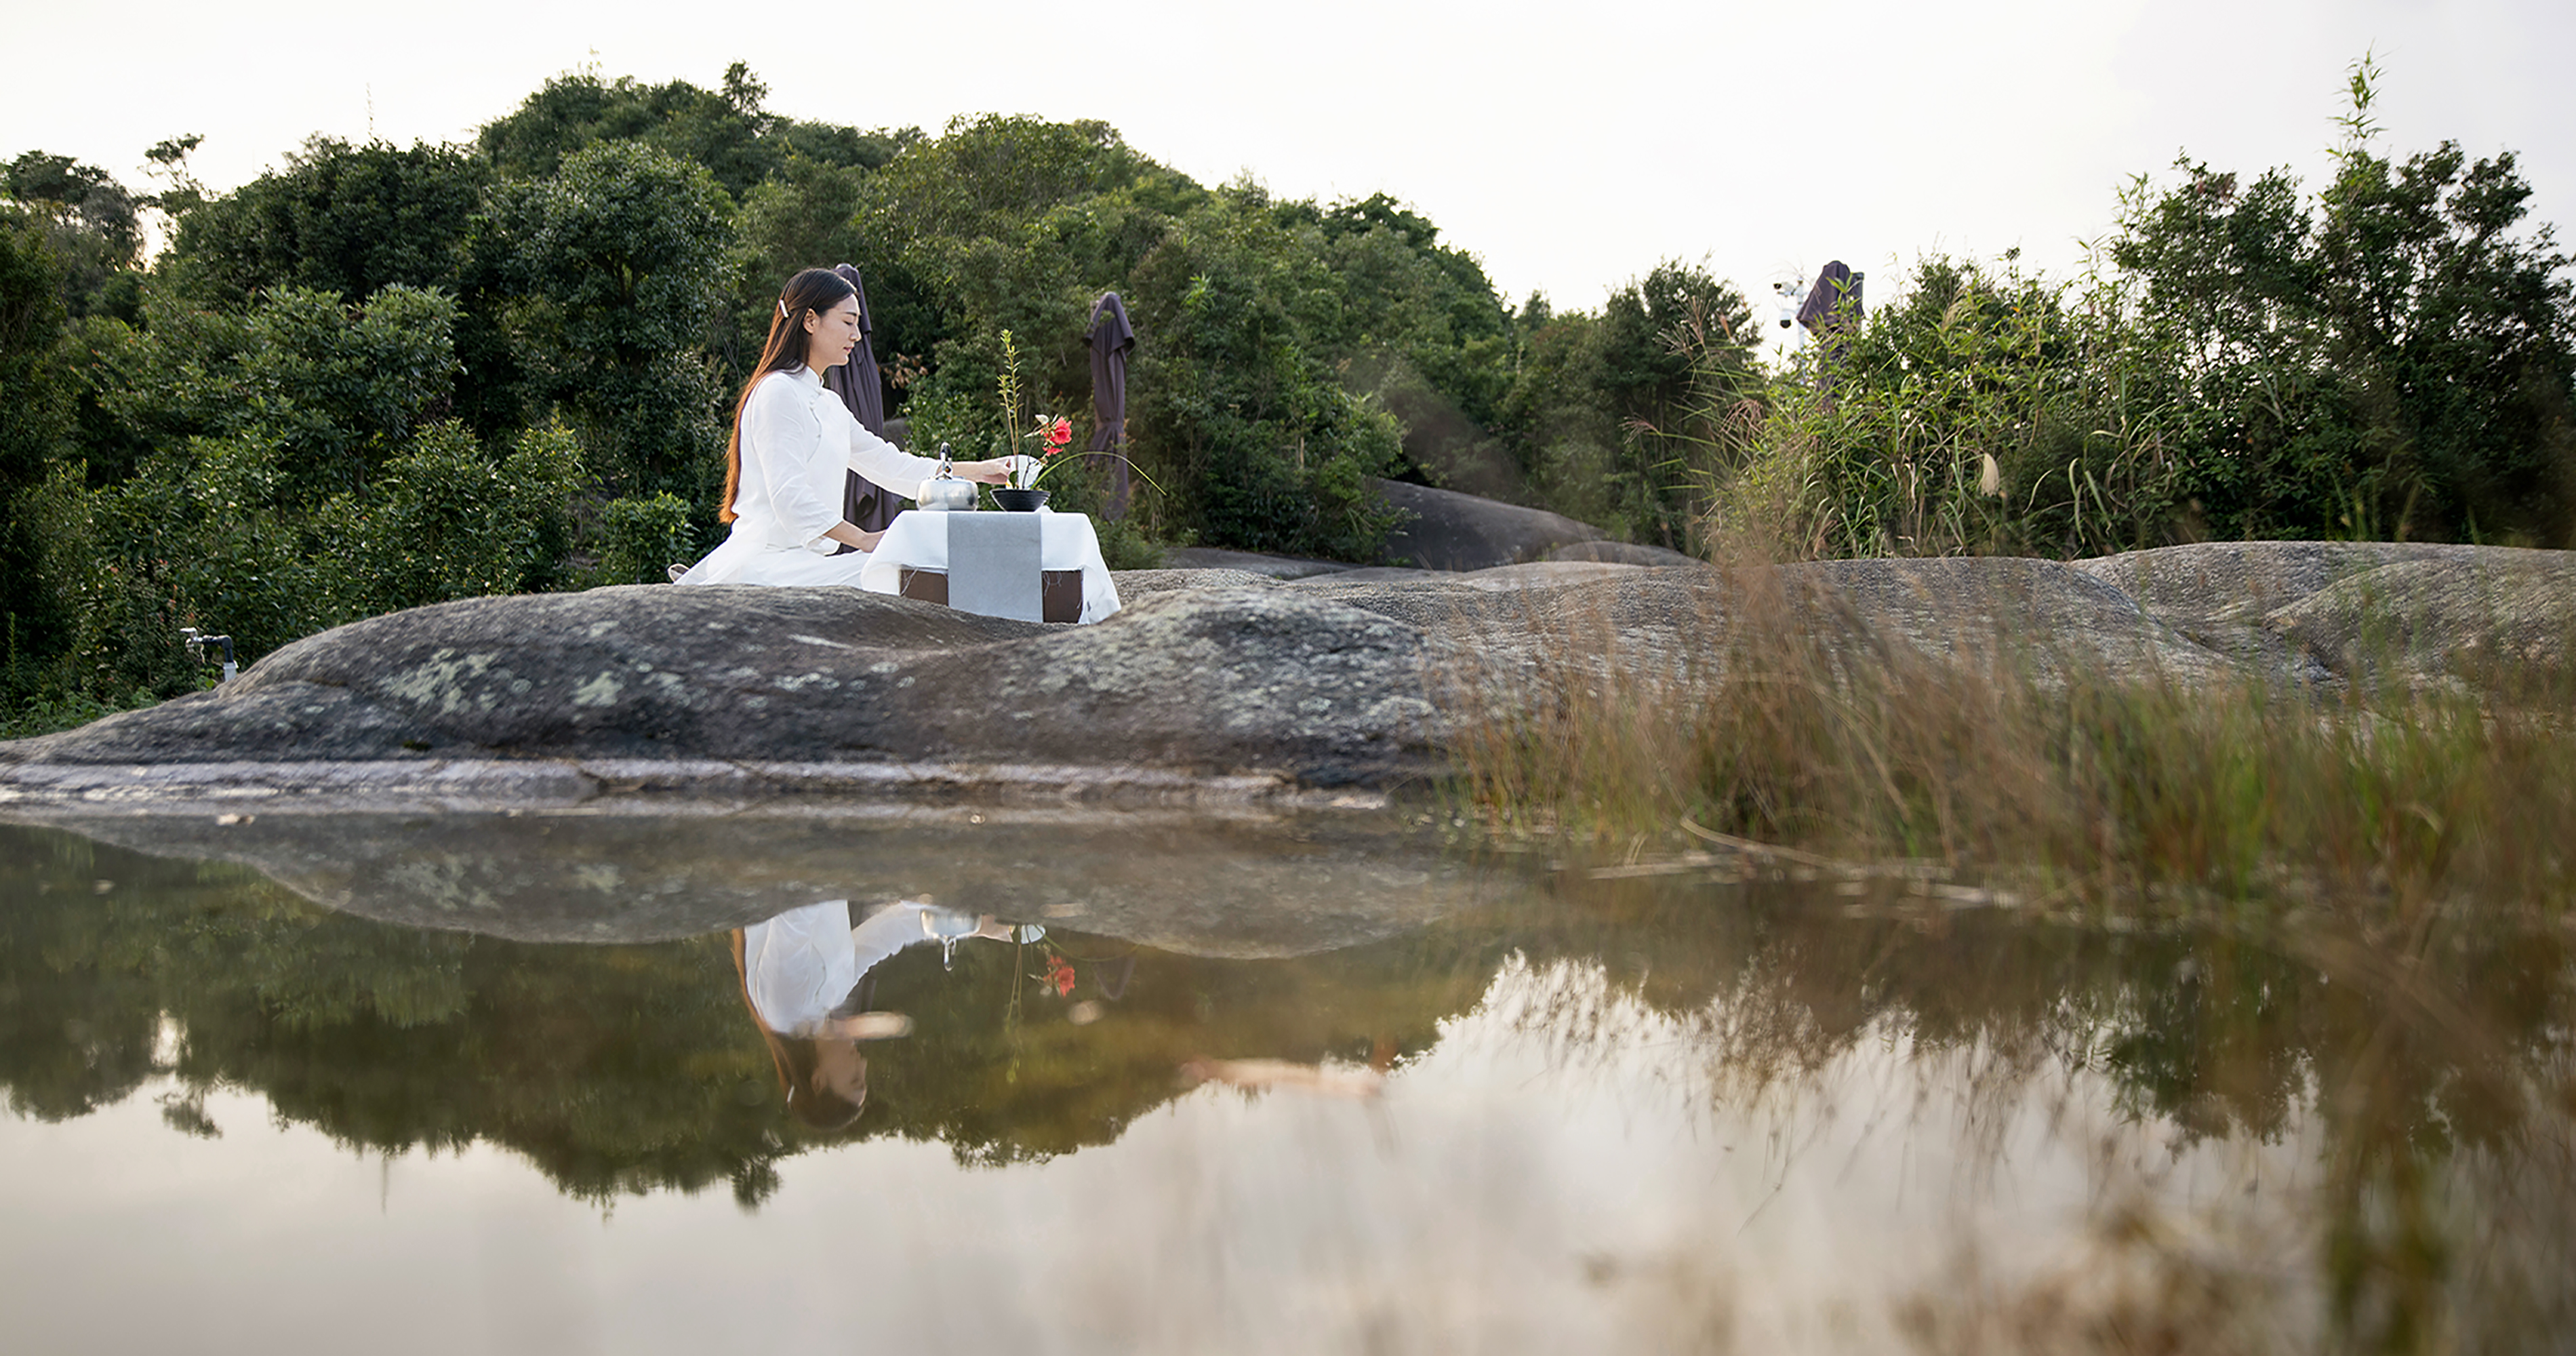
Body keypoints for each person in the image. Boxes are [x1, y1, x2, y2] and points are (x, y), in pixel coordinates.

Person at [676, 268, 1012, 586]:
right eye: (848, 321)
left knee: (921, 565)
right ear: (810, 320)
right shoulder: (777, 391)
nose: (856, 335)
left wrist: (981, 471)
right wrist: (864, 539)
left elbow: (891, 466)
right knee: (902, 572)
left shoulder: (830, 404)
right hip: (768, 565)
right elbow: (790, 497)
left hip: (809, 564)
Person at [730, 897, 1032, 1130]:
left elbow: (796, 908)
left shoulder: (784, 1007)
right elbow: (892, 930)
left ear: (819, 1081)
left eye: (854, 1080)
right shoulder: (829, 1000)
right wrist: (978, 927)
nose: (863, 1064)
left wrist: (852, 866)